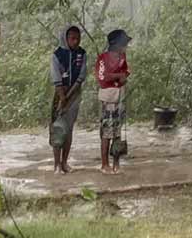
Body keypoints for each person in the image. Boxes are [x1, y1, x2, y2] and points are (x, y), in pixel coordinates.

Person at [49, 25, 87, 174]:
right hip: (59, 94)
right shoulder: (57, 55)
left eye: (78, 38)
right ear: (65, 38)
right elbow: (56, 77)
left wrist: (69, 96)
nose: (76, 41)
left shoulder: (82, 54)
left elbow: (81, 76)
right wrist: (62, 97)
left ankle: (65, 162)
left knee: (69, 129)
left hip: (74, 94)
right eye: (72, 38)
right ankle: (56, 164)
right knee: (58, 128)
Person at [95, 29, 131, 174]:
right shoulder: (103, 58)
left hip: (120, 96)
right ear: (115, 44)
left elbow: (126, 72)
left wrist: (123, 76)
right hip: (108, 98)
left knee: (117, 132)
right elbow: (102, 77)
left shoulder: (122, 56)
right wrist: (119, 76)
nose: (125, 46)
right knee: (106, 132)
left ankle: (116, 162)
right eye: (124, 43)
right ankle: (104, 164)